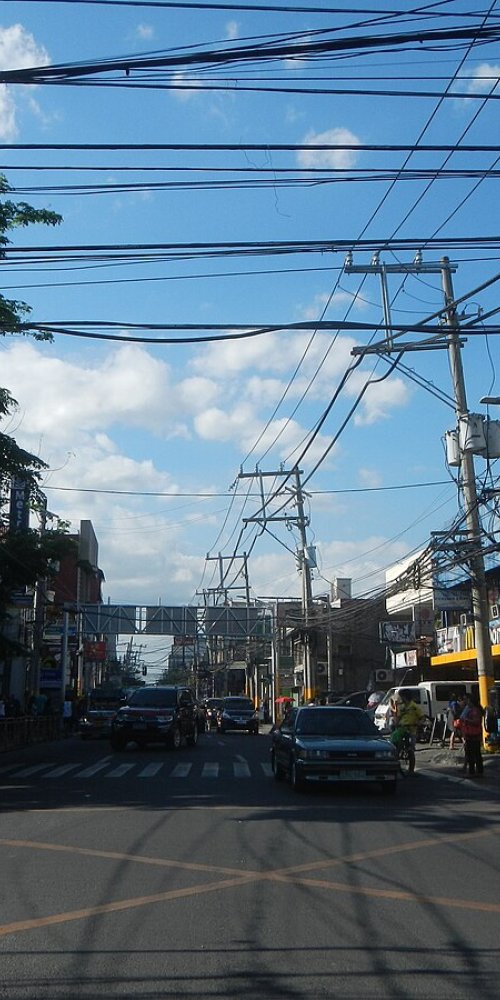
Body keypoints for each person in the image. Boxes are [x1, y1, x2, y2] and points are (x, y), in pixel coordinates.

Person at [392, 689, 424, 760]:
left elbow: (422, 717)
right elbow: (397, 718)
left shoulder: (414, 707)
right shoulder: (401, 707)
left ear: (405, 697)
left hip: (411, 729)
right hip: (401, 728)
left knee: (411, 745)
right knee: (396, 740)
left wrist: (419, 723)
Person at [460, 693, 484, 777]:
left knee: (474, 754)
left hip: (474, 734)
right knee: (472, 754)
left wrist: (466, 720)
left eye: (466, 699)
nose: (465, 701)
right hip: (469, 734)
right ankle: (475, 771)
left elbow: (476, 722)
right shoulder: (469, 709)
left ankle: (474, 772)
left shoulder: (475, 710)